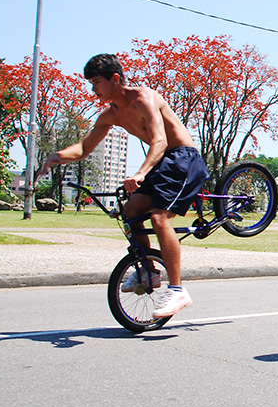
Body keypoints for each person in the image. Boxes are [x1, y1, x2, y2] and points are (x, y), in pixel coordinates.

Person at [39, 54, 208, 318]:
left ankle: (177, 290)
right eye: (90, 83)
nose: (92, 88)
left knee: (159, 217)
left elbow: (160, 141)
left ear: (115, 78)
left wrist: (141, 173)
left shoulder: (145, 98)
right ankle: (149, 271)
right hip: (162, 163)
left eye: (96, 82)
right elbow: (84, 148)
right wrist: (57, 156)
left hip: (182, 158)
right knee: (131, 211)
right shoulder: (111, 114)